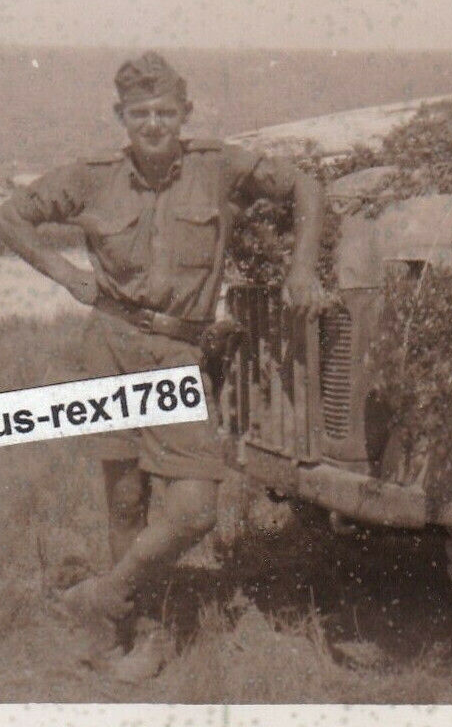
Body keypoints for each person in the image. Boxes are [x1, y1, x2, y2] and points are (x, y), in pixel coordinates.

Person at [0, 51, 325, 681]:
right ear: (122, 117)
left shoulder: (219, 167)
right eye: (140, 113)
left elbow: (305, 186)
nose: (154, 124)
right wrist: (65, 274)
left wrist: (303, 267)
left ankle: (101, 595)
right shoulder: (93, 177)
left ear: (185, 114)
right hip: (114, 343)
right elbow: (12, 215)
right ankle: (128, 632)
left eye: (165, 112)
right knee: (125, 497)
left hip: (178, 353)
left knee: (194, 507)